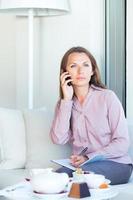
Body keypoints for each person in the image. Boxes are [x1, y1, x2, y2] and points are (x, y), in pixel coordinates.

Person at [50, 46, 133, 185]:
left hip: (117, 164)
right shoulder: (64, 103)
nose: (80, 71)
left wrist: (88, 157)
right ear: (65, 72)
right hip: (81, 167)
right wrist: (66, 101)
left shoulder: (107, 97)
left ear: (92, 70)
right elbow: (58, 138)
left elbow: (122, 143)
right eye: (73, 66)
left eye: (85, 65)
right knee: (55, 179)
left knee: (80, 177)